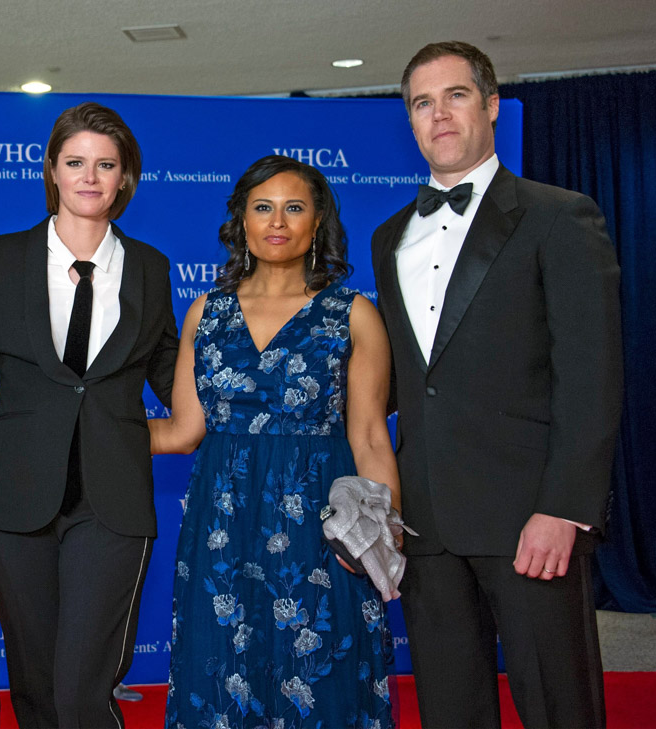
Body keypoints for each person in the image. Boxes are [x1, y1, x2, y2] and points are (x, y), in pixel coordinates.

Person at [371, 41, 622, 728]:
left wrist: (564, 507)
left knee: (558, 704)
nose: (439, 114)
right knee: (451, 708)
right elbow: (405, 379)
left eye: (454, 95)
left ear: (490, 106)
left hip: (528, 518)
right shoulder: (390, 234)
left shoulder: (557, 216)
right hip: (425, 523)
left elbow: (592, 374)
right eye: (422, 102)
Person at [151, 155, 399, 729]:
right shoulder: (204, 314)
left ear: (318, 223)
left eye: (294, 208)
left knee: (320, 672)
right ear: (242, 221)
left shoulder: (352, 315)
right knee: (219, 670)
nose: (277, 221)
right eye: (262, 208)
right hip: (222, 522)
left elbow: (368, 437)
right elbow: (183, 430)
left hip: (319, 519)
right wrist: (78, 430)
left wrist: (379, 544)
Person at [0, 102, 178, 729]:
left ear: (124, 178)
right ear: (52, 171)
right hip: (16, 501)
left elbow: (169, 372)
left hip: (113, 500)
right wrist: (9, 435)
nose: (90, 177)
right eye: (76, 162)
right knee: (34, 684)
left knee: (83, 688)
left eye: (106, 165)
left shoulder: (150, 267)